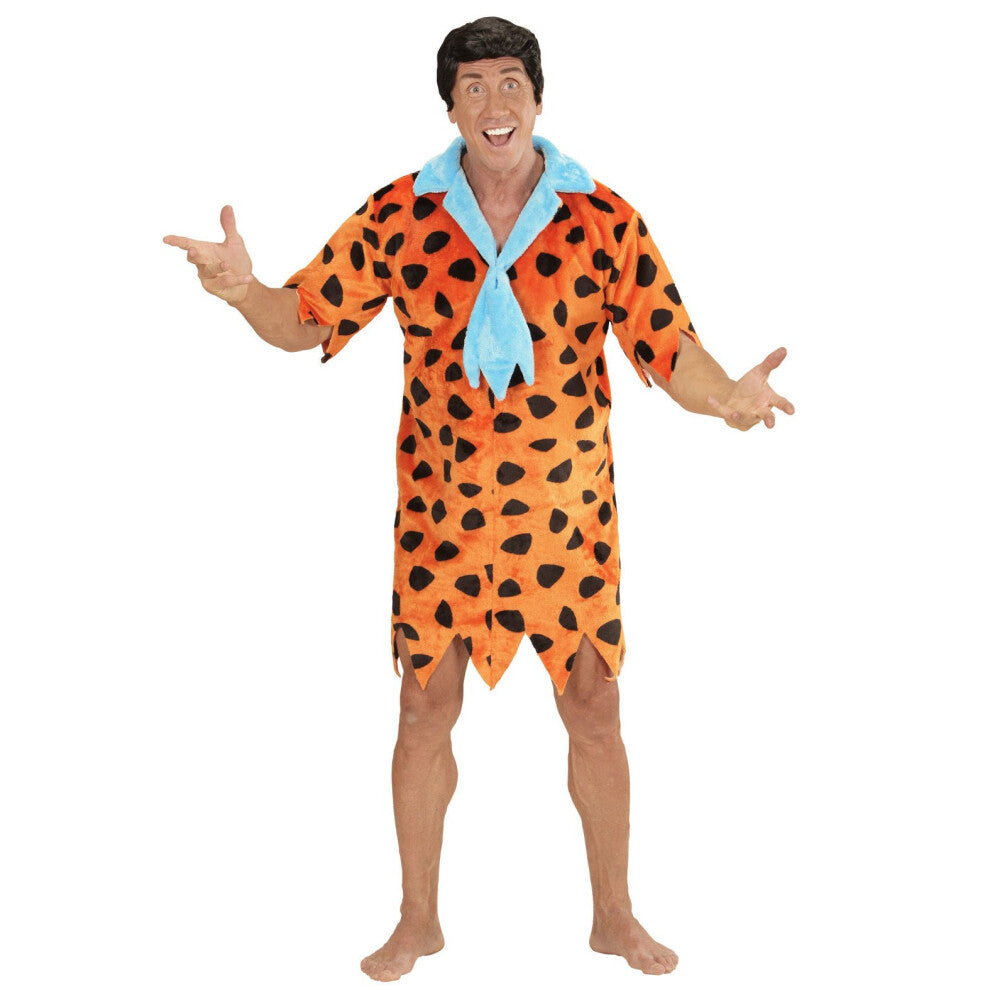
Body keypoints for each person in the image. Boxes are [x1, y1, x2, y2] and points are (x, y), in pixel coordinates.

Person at [164, 15, 793, 981]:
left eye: (509, 83)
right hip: (441, 516)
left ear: (537, 98)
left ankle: (614, 915)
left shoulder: (603, 218)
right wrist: (246, 290)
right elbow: (306, 317)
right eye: (472, 87)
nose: (494, 104)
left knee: (595, 708)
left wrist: (728, 402)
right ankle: (418, 920)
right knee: (424, 709)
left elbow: (672, 347)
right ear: (450, 107)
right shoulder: (402, 213)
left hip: (565, 518)